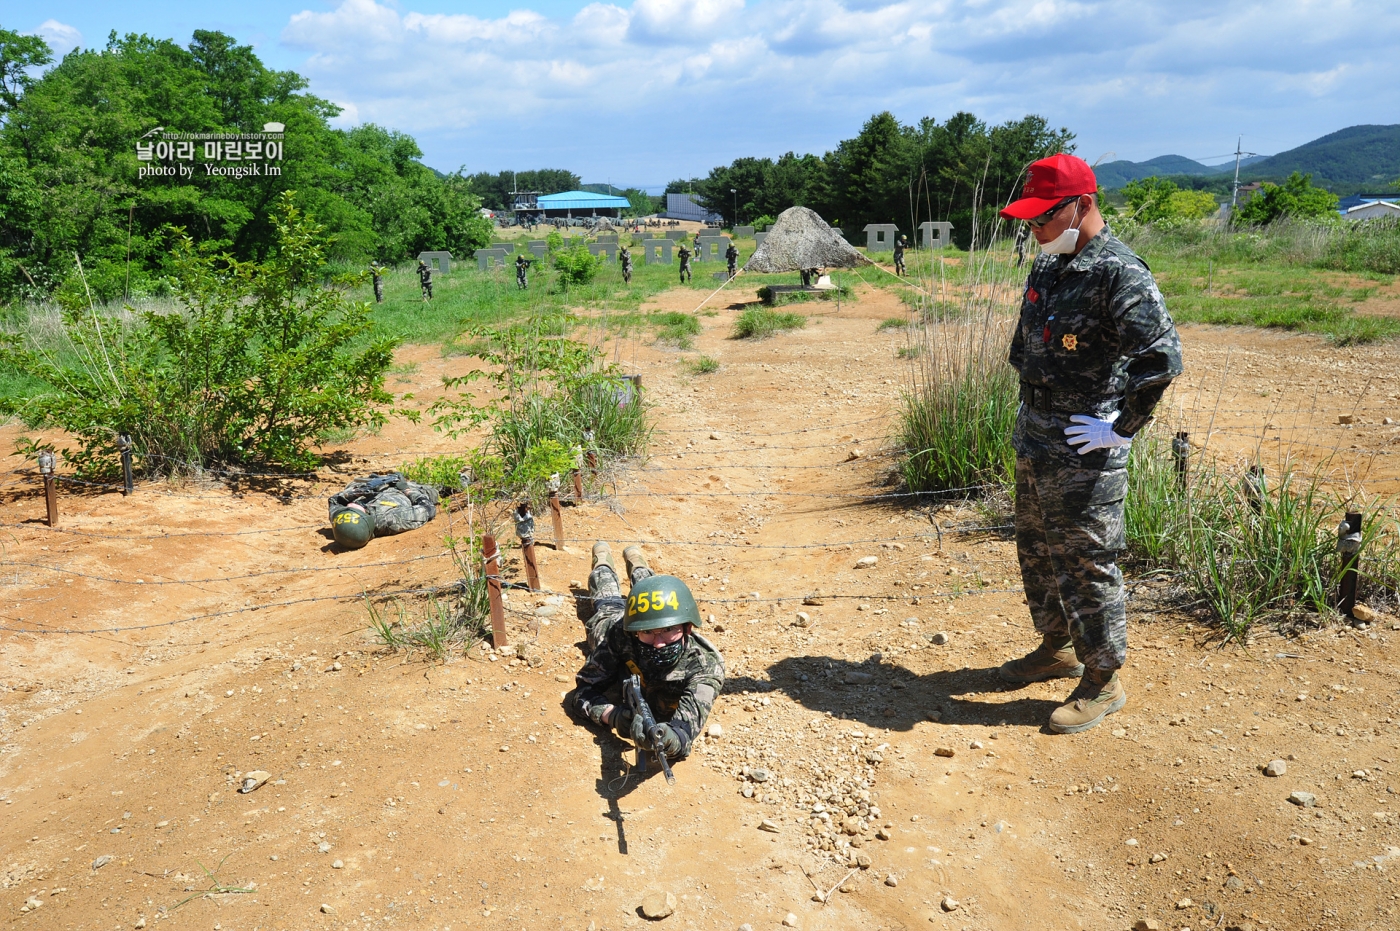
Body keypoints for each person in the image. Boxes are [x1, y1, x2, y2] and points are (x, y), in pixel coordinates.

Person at [998, 153, 1183, 734]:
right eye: (1029, 220)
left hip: (1085, 444)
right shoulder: (1051, 265)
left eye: (1043, 218)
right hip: (1037, 431)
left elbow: (1162, 359)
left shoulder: (1118, 272)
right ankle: (1054, 646)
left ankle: (1103, 680)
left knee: (1086, 561)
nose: (1035, 228)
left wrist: (1119, 427)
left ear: (1081, 205)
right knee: (1037, 548)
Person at [572, 543, 725, 766]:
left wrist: (670, 739)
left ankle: (637, 564)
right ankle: (603, 560)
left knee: (653, 593)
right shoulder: (619, 634)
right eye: (647, 633)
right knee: (607, 604)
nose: (659, 643)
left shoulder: (705, 665)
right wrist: (611, 715)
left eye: (668, 630)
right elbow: (583, 691)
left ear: (687, 628)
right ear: (635, 632)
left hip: (641, 619)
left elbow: (687, 728)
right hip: (616, 620)